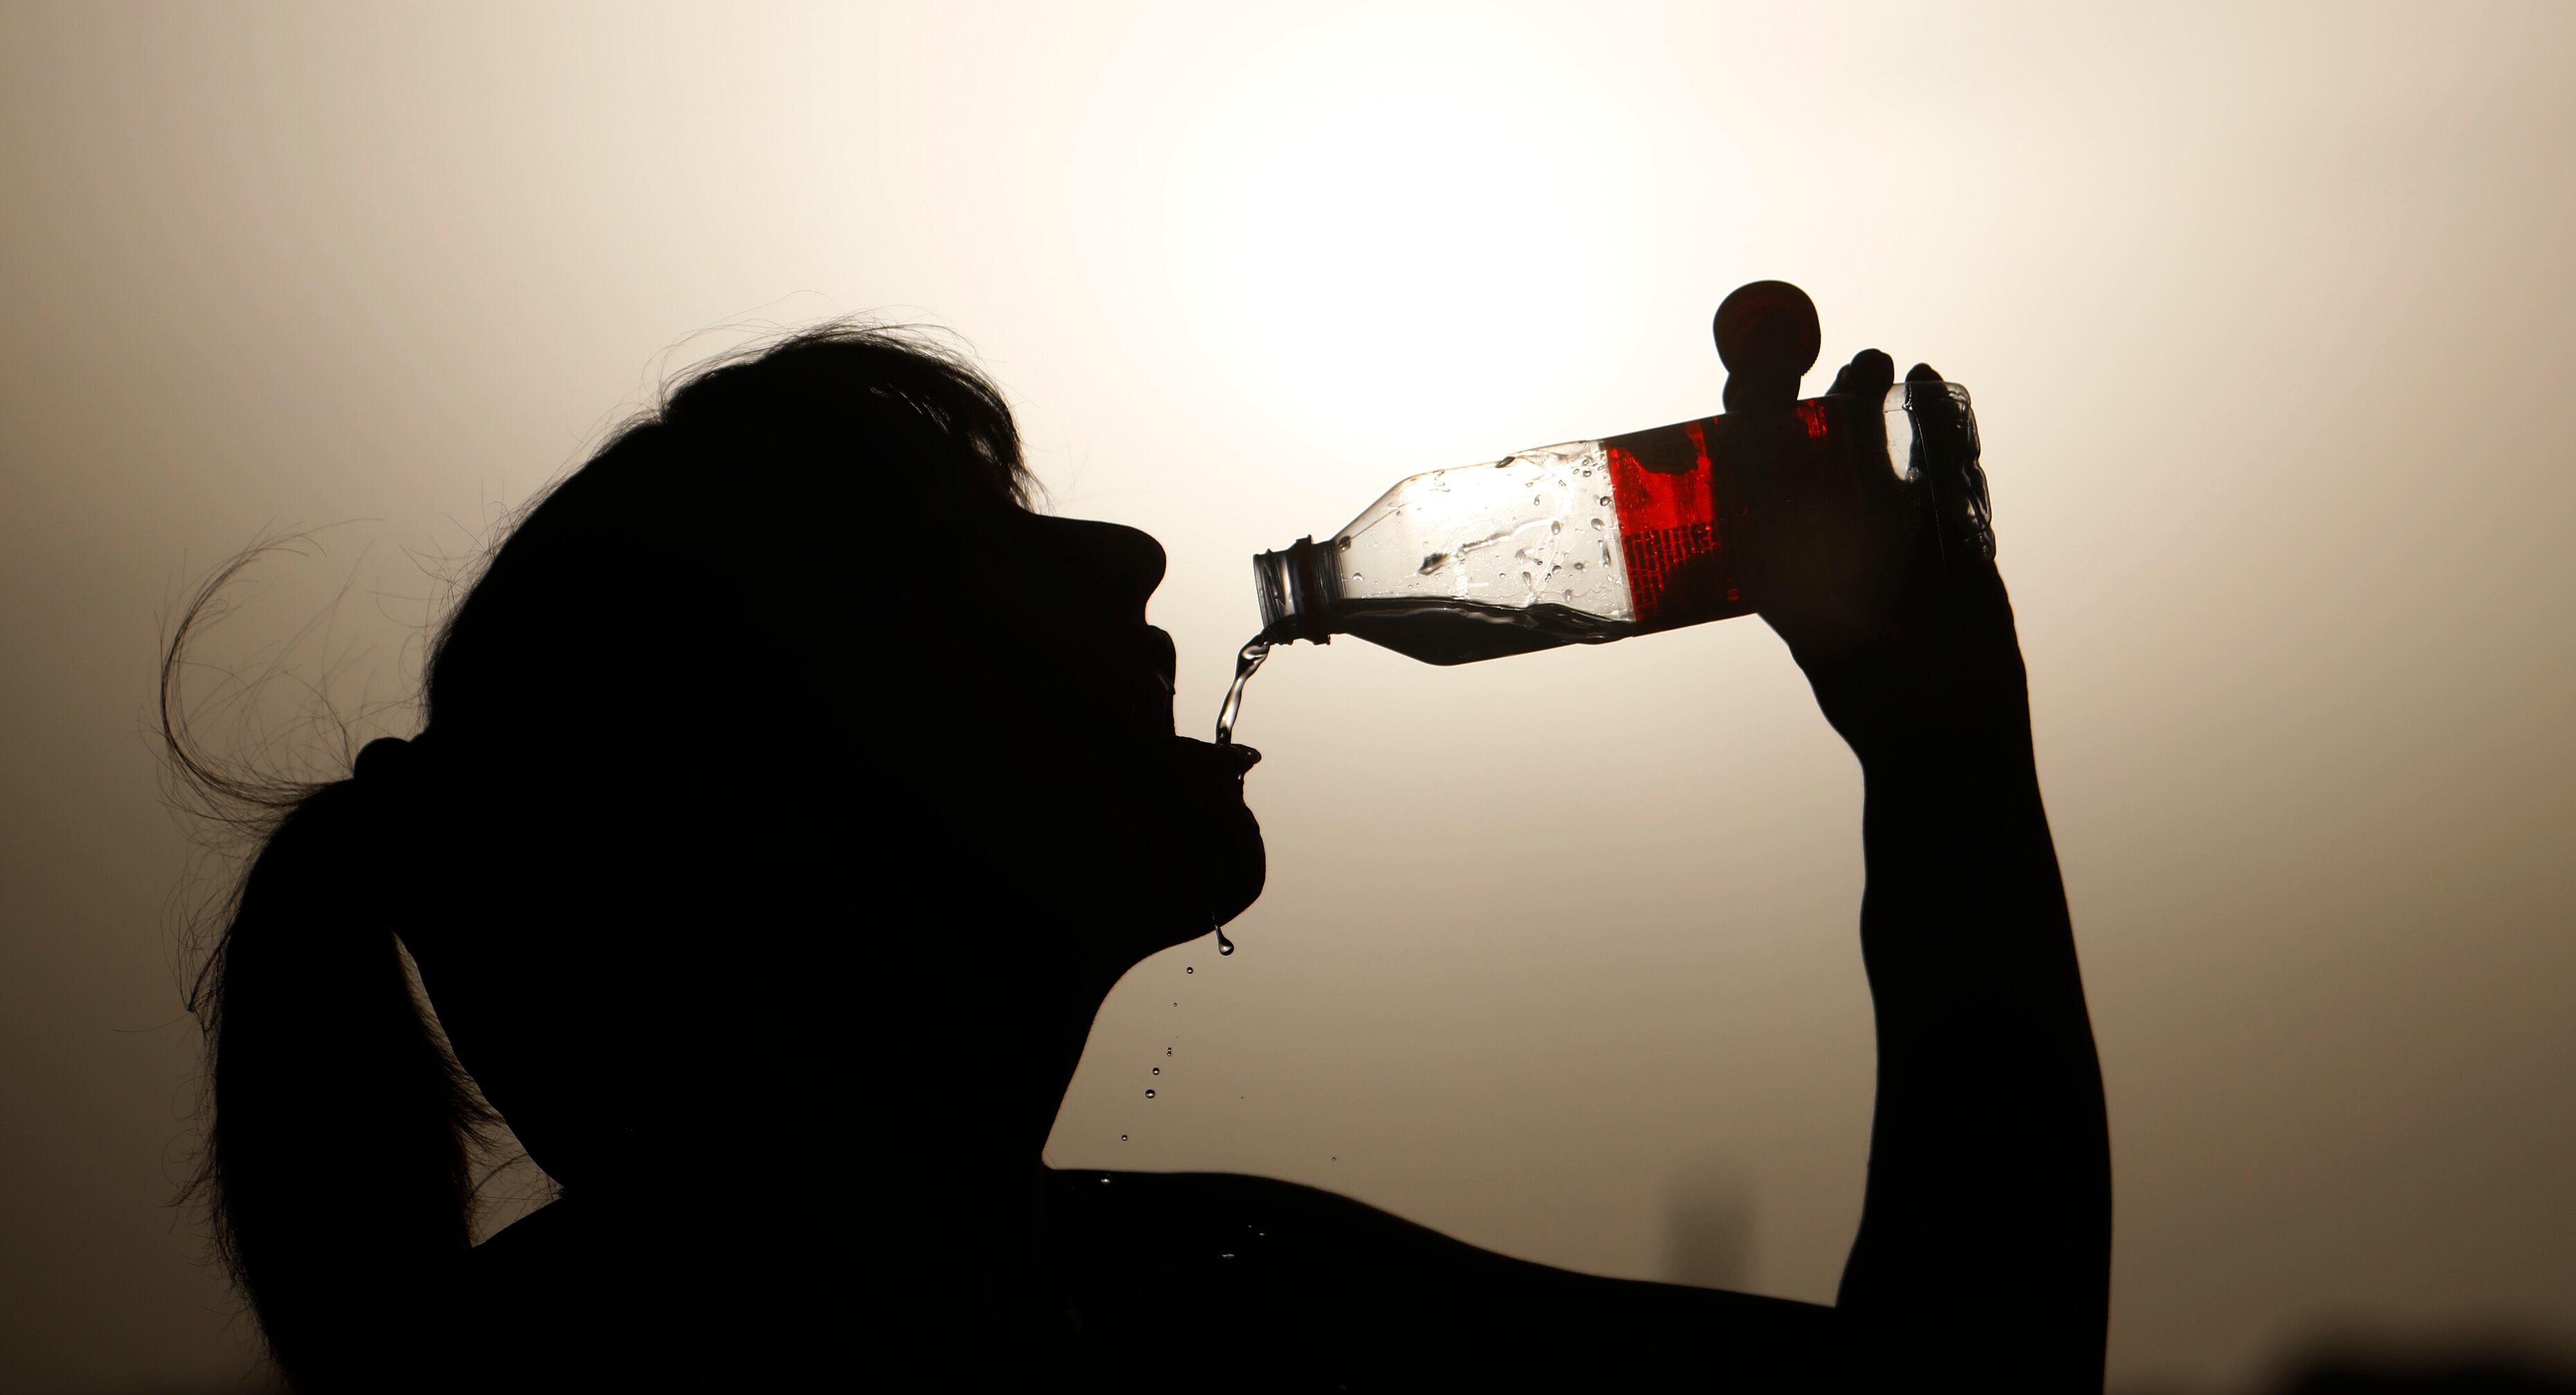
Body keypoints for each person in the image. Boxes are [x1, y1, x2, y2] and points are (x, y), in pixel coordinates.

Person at [166, 300, 2110, 1391]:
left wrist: (1935, 733)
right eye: (981, 545)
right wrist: (1945, 765)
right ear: (819, 793)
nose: (1128, 558)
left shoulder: (1147, 1285)